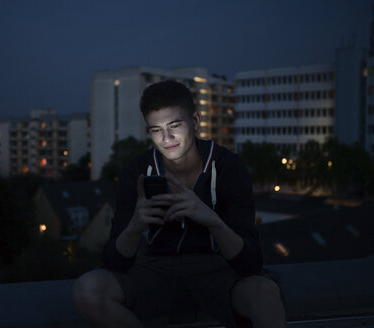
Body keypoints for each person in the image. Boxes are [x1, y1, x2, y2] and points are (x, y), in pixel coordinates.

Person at [73, 80, 286, 327]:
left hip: (217, 269)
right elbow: (113, 263)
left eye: (175, 125)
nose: (166, 138)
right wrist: (134, 226)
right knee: (87, 290)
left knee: (266, 293)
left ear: (195, 121)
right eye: (156, 129)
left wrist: (211, 219)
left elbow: (250, 262)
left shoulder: (227, 166)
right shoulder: (138, 171)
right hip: (155, 271)